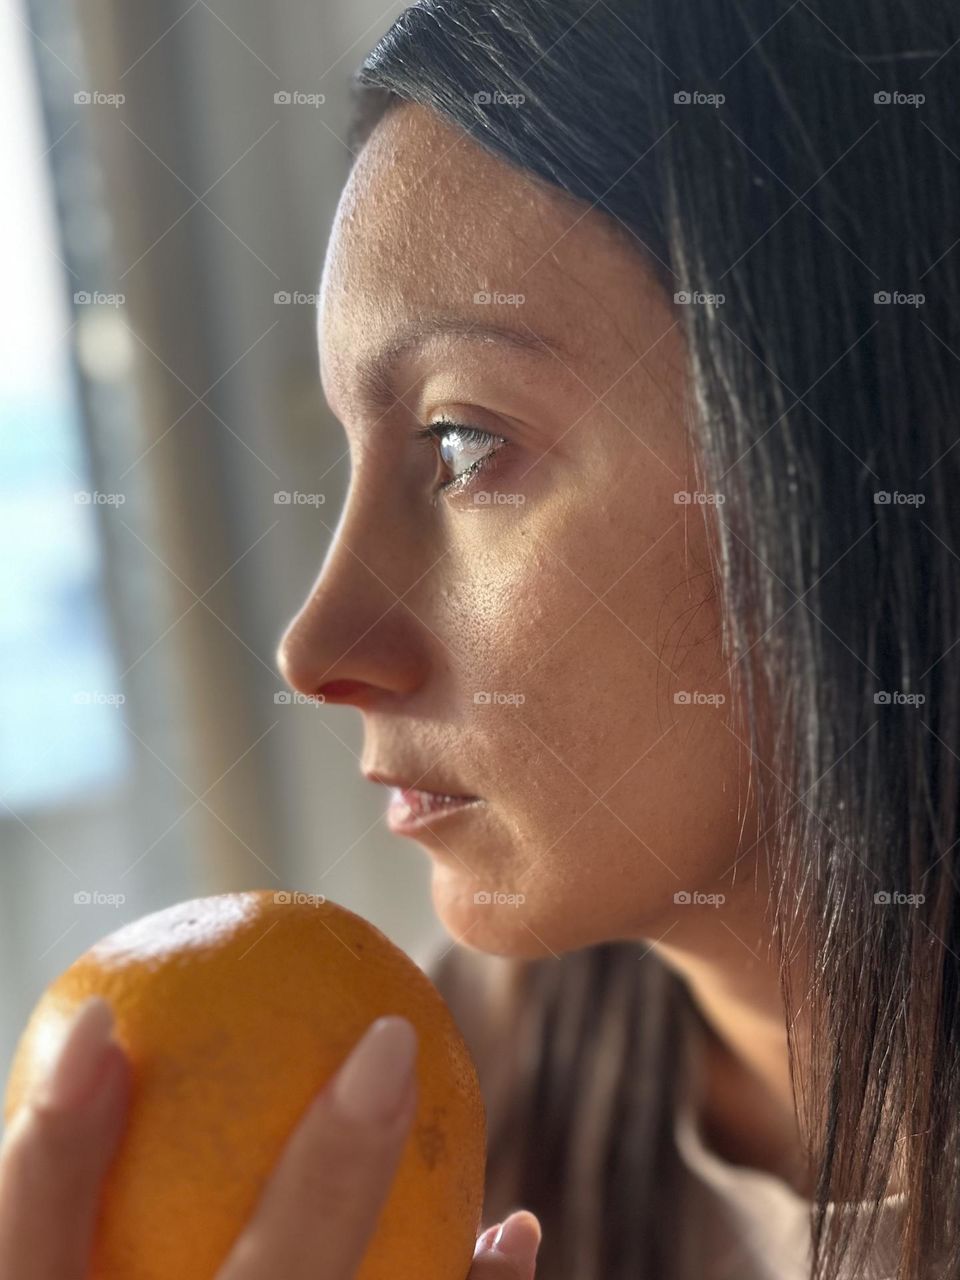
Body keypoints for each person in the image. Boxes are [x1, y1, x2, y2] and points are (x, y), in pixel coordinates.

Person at [2, 2, 957, 1277]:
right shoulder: (409, 1127)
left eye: (462, 444)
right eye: (352, 451)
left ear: (868, 451)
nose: (318, 647)